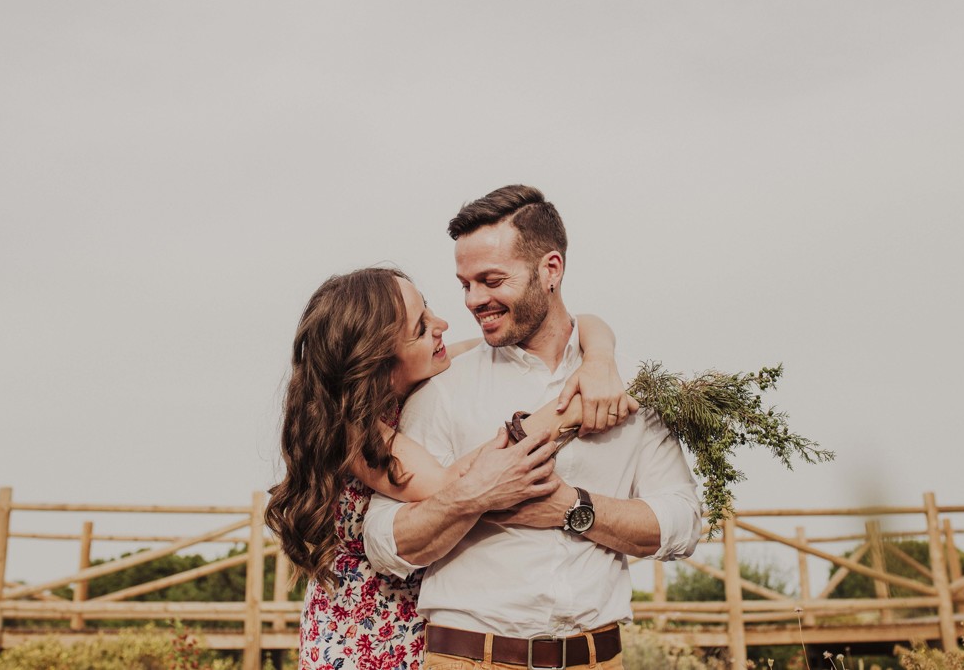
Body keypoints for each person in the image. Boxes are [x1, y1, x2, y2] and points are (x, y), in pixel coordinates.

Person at [363, 186, 703, 670]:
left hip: (597, 660)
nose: (473, 300)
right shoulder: (442, 387)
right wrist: (475, 498)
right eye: (465, 284)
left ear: (550, 270)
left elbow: (683, 522)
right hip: (467, 659)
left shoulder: (628, 387)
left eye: (491, 280)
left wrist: (574, 508)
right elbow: (383, 542)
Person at [264, 266, 636, 670]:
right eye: (420, 328)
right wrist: (571, 408)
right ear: (378, 359)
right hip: (366, 638)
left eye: (428, 309)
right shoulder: (354, 434)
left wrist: (598, 359)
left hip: (420, 627)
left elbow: (578, 327)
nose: (441, 324)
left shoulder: (418, 377)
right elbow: (462, 484)